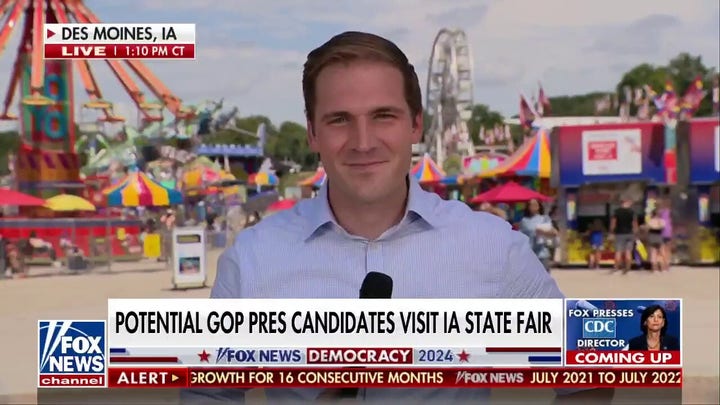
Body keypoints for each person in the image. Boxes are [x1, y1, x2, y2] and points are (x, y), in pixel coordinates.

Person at [182, 31, 612, 403]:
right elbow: (209, 391)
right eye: (339, 120)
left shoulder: (495, 248)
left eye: (383, 116)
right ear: (312, 132)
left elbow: (589, 374)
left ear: (416, 126)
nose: (363, 142)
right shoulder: (254, 258)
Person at [519, 199, 557, 272]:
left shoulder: (544, 218)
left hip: (543, 253)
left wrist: (544, 231)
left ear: (539, 206)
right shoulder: (524, 221)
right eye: (531, 205)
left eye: (535, 205)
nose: (533, 207)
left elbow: (554, 233)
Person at [610, 198, 638, 273]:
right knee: (628, 251)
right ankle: (627, 268)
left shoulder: (617, 211)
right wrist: (635, 233)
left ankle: (616, 267)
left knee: (618, 251)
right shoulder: (632, 212)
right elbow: (634, 223)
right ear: (626, 202)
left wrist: (612, 232)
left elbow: (613, 223)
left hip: (619, 233)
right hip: (629, 233)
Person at [658, 199, 673, 270]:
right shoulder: (670, 213)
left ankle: (662, 265)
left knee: (661, 249)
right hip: (668, 232)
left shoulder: (660, 213)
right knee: (668, 250)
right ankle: (667, 264)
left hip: (661, 232)